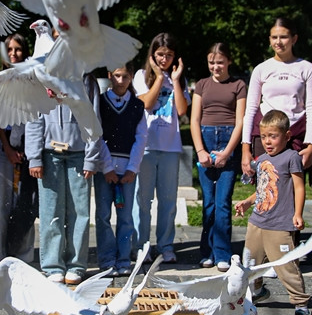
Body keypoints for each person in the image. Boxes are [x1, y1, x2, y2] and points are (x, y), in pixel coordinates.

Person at [234, 110, 311, 315]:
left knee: (287, 267)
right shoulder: (262, 160)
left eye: (273, 136)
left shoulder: (292, 157)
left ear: (287, 135)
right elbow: (263, 189)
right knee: (250, 264)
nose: (268, 141)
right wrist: (248, 202)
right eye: (264, 136)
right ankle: (257, 291)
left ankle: (301, 307)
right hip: (257, 221)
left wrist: (298, 213)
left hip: (280, 225)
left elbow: (299, 187)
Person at [26, 74, 100, 284]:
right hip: (50, 154)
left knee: (80, 212)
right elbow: (34, 117)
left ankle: (76, 265)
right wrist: (34, 157)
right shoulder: (42, 76)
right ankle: (52, 265)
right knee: (51, 210)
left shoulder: (87, 79)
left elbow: (94, 118)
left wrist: (91, 158)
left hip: (79, 154)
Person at [132, 32, 189, 263]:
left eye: (169, 55)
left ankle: (165, 245)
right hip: (145, 147)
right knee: (142, 201)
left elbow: (183, 111)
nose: (164, 59)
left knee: (168, 201)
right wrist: (157, 77)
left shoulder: (179, 79)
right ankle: (141, 246)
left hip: (170, 148)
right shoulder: (140, 76)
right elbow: (146, 103)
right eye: (160, 55)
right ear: (152, 55)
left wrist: (174, 80)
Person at [241, 17, 312, 183]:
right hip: (266, 136)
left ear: (294, 39)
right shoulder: (261, 69)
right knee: (266, 191)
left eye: (283, 37)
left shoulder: (307, 68)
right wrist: (245, 148)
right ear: (269, 39)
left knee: (292, 190)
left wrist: (311, 146)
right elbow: (250, 110)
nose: (278, 42)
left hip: (296, 134)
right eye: (274, 37)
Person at [190, 43, 246, 272]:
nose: (216, 66)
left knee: (223, 202)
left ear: (229, 61)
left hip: (227, 142)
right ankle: (207, 252)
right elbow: (194, 120)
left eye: (220, 62)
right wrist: (201, 151)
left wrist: (228, 152)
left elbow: (240, 121)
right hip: (205, 141)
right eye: (212, 62)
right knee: (209, 203)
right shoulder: (202, 85)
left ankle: (223, 253)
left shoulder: (239, 85)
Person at [0, 33, 37, 264]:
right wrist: (7, 148)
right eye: (9, 50)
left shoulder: (32, 79)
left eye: (18, 49)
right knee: (1, 206)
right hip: (2, 146)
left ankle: (24, 257)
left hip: (27, 148)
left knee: (25, 205)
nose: (14, 54)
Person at [94, 65, 148, 276]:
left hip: (127, 170)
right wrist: (106, 167)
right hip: (103, 169)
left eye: (125, 76)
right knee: (103, 215)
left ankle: (124, 259)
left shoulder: (137, 106)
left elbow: (141, 138)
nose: (121, 80)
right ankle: (107, 260)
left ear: (131, 77)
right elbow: (97, 134)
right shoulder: (99, 102)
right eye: (117, 76)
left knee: (125, 217)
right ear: (110, 76)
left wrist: (132, 168)